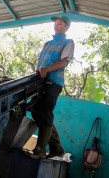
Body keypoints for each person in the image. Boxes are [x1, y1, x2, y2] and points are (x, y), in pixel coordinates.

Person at [30, 16, 74, 159]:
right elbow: (41, 64)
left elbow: (64, 62)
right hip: (40, 82)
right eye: (56, 24)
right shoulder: (47, 43)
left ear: (66, 27)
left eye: (60, 24)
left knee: (45, 112)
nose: (57, 26)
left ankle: (40, 150)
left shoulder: (68, 42)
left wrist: (47, 69)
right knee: (37, 112)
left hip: (53, 83)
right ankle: (57, 148)